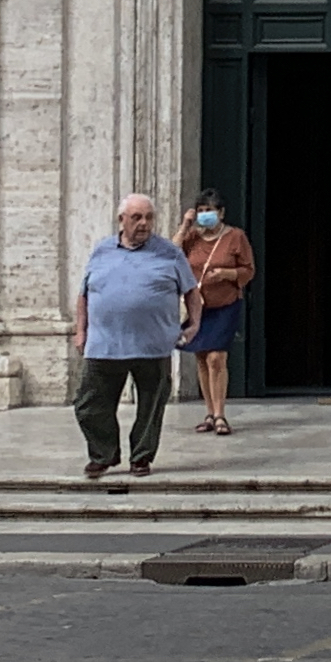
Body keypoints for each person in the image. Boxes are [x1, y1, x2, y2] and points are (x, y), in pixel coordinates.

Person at [73, 190, 191, 485]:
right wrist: (81, 330)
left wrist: (194, 324)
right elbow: (84, 294)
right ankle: (103, 455)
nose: (144, 223)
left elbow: (192, 292)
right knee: (88, 404)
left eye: (149, 217)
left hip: (153, 344)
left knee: (151, 406)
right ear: (121, 220)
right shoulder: (101, 251)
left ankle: (141, 457)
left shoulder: (169, 252)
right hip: (104, 344)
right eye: (137, 217)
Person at [180, 202, 256, 438]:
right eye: (201, 210)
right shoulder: (192, 238)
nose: (205, 215)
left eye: (210, 210)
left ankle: (221, 414)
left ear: (222, 212)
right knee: (202, 356)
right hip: (198, 306)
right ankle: (210, 413)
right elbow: (171, 252)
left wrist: (226, 274)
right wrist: (185, 225)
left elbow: (248, 269)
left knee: (216, 357)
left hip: (226, 304)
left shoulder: (236, 237)